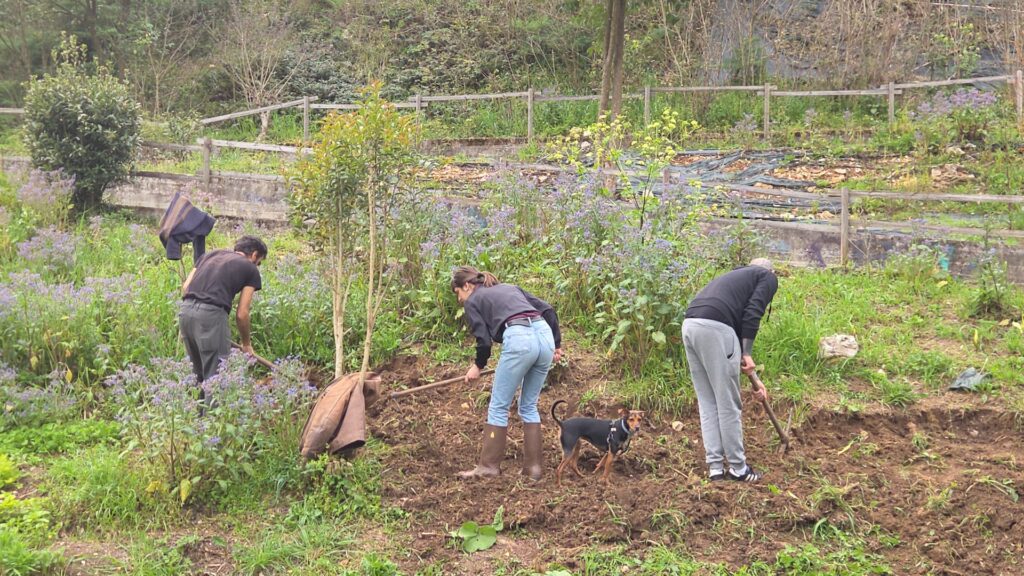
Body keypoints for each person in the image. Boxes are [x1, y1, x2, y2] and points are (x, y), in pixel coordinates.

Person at [451, 266, 563, 480]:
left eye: (458, 293)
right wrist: (556, 345)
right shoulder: (510, 288)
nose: (460, 300)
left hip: (519, 338)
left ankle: (488, 467)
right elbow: (547, 309)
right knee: (529, 405)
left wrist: (478, 366)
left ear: (467, 285)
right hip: (544, 335)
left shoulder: (474, 300)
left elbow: (483, 339)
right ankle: (534, 469)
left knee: (498, 406)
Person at [682, 258, 777, 483]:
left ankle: (715, 468)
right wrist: (747, 352)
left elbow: (732, 330)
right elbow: (752, 314)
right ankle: (738, 468)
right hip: (715, 328)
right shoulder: (767, 276)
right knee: (728, 403)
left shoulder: (734, 279)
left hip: (691, 325)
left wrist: (755, 377)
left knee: (708, 402)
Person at [179, 236, 267, 387]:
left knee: (198, 376)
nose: (257, 266)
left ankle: (198, 411)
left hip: (185, 313)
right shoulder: (250, 268)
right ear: (254, 255)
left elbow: (186, 287)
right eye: (259, 262)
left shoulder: (208, 256)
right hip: (211, 317)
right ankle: (212, 411)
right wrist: (246, 344)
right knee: (216, 378)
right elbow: (242, 313)